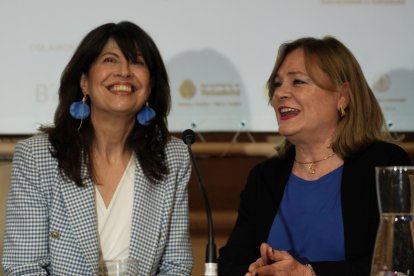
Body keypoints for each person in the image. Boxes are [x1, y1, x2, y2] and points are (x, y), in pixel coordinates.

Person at [2, 21, 193, 275]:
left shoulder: (173, 157)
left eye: (137, 62)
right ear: (84, 81)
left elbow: (176, 266)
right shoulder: (38, 157)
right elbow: (23, 265)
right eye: (110, 60)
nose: (124, 72)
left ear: (150, 85)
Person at [217, 36, 412, 276]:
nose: (281, 93)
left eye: (298, 81)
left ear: (343, 96)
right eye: (277, 84)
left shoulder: (383, 163)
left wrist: (309, 273)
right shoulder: (264, 177)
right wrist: (255, 271)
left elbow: (397, 263)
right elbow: (228, 264)